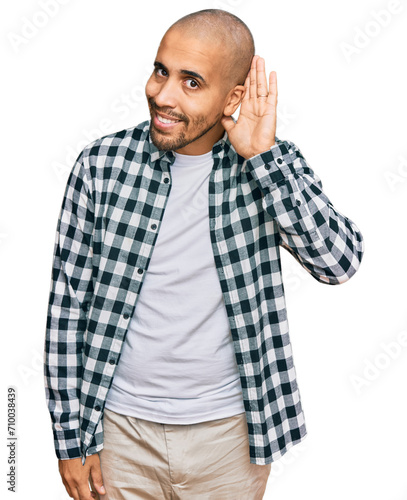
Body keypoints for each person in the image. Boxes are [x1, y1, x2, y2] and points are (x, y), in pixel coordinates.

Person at [43, 8, 364, 500]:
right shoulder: (101, 165)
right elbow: (67, 310)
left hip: (230, 438)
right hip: (119, 433)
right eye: (160, 71)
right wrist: (69, 440)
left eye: (192, 82)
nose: (163, 95)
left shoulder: (271, 164)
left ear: (234, 96)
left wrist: (263, 158)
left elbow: (339, 262)